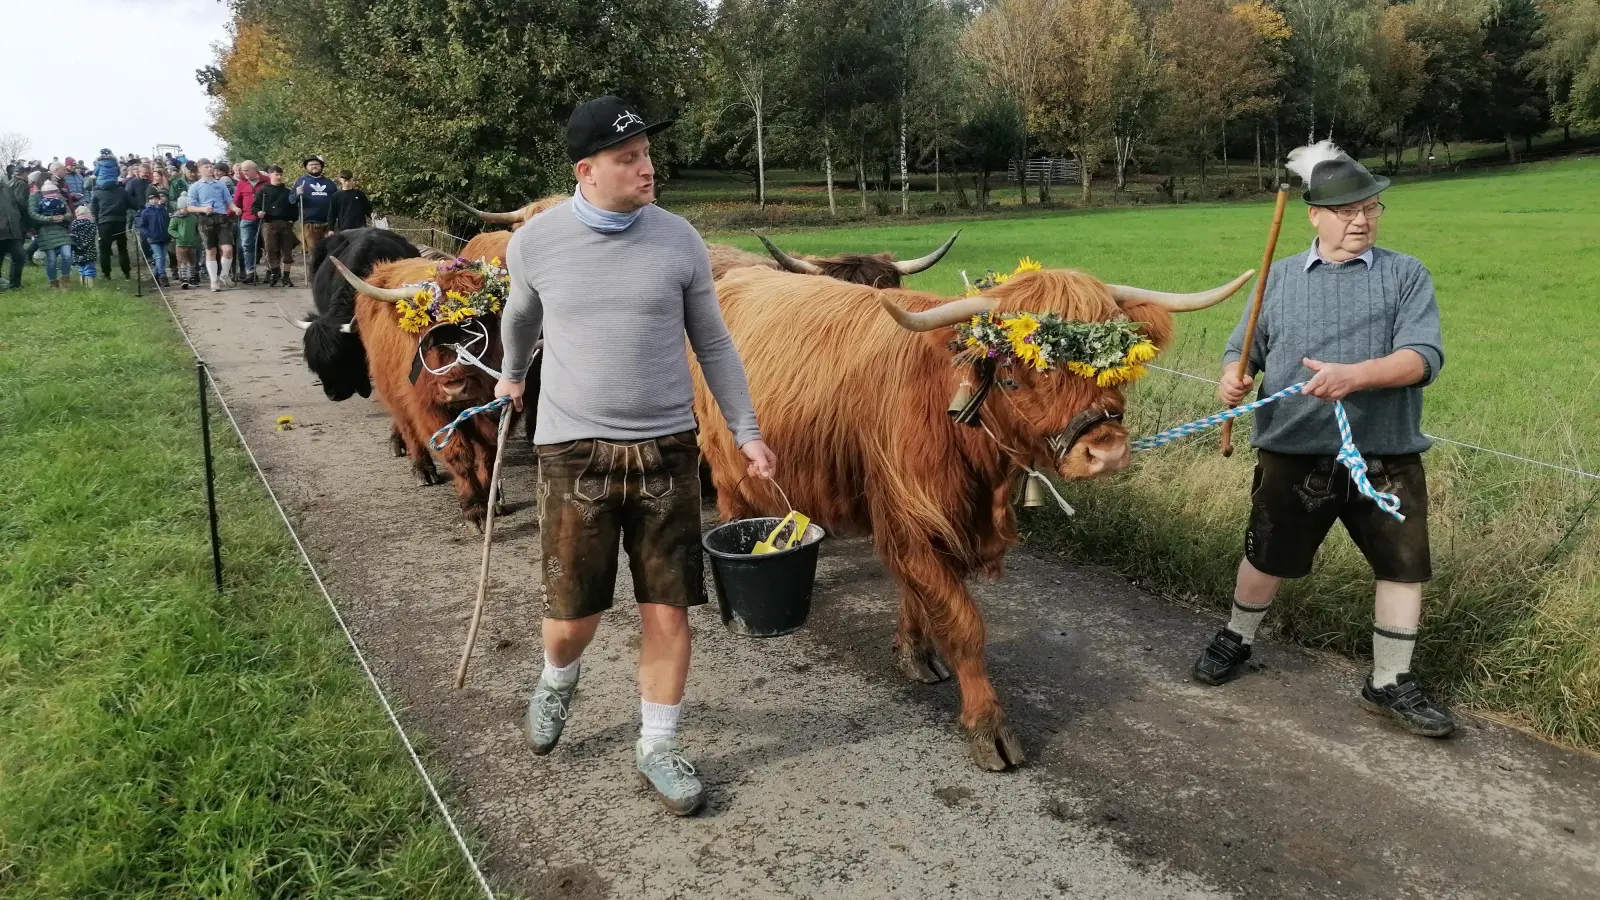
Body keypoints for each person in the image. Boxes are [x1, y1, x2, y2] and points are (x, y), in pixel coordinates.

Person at [495, 96, 777, 817]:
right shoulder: (536, 243)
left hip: (668, 449)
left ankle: (657, 745)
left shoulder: (679, 240)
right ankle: (560, 677)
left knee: (670, 610)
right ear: (586, 170)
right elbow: (521, 315)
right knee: (572, 616)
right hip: (572, 449)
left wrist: (745, 431)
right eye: (629, 158)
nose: (647, 168)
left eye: (648, 154)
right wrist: (514, 372)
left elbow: (713, 342)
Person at [1191, 140, 1453, 738]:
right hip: (1292, 447)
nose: (1361, 219)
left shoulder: (1406, 275)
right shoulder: (1279, 279)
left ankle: (1389, 681)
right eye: (1345, 210)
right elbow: (1243, 349)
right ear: (1315, 215)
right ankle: (1237, 638)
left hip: (1385, 452)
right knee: (1267, 555)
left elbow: (1423, 358)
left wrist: (1354, 376)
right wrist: (1232, 379)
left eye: (1371, 207)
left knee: (1403, 566)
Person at [183, 159, 235, 292]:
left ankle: (224, 274)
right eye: (206, 167)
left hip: (222, 218)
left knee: (228, 249)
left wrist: (235, 208)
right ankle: (213, 281)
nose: (210, 169)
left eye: (211, 166)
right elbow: (190, 207)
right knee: (211, 251)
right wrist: (203, 209)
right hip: (206, 219)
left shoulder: (221, 184)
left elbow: (228, 200)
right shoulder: (195, 187)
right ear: (200, 170)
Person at [252, 165, 297, 287]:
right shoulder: (263, 191)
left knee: (287, 251)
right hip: (269, 223)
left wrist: (293, 220)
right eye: (276, 174)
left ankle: (286, 277)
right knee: (270, 249)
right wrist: (258, 213)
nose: (279, 177)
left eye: (280, 174)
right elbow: (255, 206)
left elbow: (294, 207)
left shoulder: (288, 192)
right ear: (270, 175)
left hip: (285, 224)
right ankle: (274, 272)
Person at [29, 181, 74, 288]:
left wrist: (63, 217)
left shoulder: (59, 198)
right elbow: (33, 214)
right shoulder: (35, 197)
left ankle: (65, 278)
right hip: (45, 232)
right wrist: (50, 218)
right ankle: (53, 283)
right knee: (51, 259)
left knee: (67, 255)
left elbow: (69, 213)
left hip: (61, 230)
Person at [290, 155, 335, 256]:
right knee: (315, 253)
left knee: (330, 253)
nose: (314, 166)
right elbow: (291, 200)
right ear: (306, 167)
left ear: (321, 166)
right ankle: (315, 271)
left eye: (316, 164)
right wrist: (297, 193)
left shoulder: (329, 183)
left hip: (328, 224)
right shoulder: (301, 181)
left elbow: (336, 201)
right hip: (309, 224)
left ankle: (327, 271)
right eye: (311, 164)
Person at [90, 177, 133, 280]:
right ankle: (126, 273)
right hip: (120, 222)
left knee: (104, 249)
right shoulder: (122, 191)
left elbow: (93, 210)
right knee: (122, 248)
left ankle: (106, 274)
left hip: (104, 223)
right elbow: (133, 204)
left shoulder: (97, 193)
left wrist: (97, 223)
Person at [232, 160, 264, 283]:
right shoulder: (241, 183)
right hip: (246, 217)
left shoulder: (266, 181)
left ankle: (271, 271)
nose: (243, 172)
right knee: (246, 244)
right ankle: (250, 272)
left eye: (246, 170)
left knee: (267, 245)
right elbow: (236, 200)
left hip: (264, 218)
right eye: (242, 170)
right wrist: (235, 210)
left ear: (254, 169)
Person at [0, 166, 30, 290]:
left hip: (12, 229)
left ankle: (15, 285)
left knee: (20, 256)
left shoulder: (6, 187)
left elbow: (15, 205)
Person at [135, 190, 171, 287]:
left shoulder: (163, 210)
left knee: (162, 259)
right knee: (158, 257)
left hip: (165, 237)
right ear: (149, 200)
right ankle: (163, 277)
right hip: (153, 239)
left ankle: (155, 276)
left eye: (155, 198)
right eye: (152, 199)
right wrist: (149, 234)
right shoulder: (146, 212)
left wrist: (169, 234)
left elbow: (168, 223)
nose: (154, 201)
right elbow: (142, 226)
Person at [168, 191, 201, 288]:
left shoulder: (193, 217)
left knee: (192, 261)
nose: (186, 209)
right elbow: (171, 229)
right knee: (183, 261)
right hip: (180, 243)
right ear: (179, 207)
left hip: (192, 243)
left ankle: (192, 278)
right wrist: (178, 235)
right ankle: (184, 279)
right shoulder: (175, 218)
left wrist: (196, 237)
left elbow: (197, 228)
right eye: (184, 207)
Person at [70, 206, 97, 286]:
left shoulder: (74, 223)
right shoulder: (91, 224)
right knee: (89, 269)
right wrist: (85, 245)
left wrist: (77, 247)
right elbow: (92, 237)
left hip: (77, 251)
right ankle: (90, 286)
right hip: (89, 250)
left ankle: (82, 284)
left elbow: (72, 237)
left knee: (81, 268)